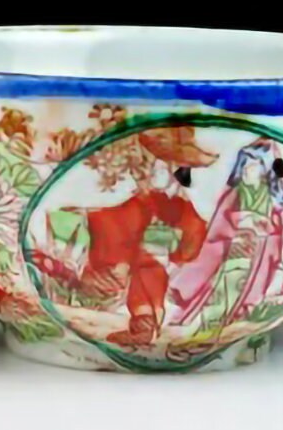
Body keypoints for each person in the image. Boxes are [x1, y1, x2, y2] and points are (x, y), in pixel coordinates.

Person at [75, 125, 217, 351]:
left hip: (157, 247)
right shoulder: (124, 197)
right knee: (142, 259)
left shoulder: (178, 200)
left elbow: (192, 234)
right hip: (130, 243)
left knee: (148, 264)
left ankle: (146, 319)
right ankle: (144, 317)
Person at [167, 138, 283, 332]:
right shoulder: (234, 195)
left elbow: (276, 232)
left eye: (252, 167)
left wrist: (262, 227)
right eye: (244, 167)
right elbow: (219, 225)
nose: (246, 171)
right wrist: (240, 222)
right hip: (231, 247)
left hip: (259, 251)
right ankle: (203, 314)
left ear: (265, 170)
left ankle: (239, 312)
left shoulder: (271, 198)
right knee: (218, 272)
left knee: (251, 275)